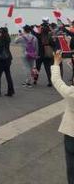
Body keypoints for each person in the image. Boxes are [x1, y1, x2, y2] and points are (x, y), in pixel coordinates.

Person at [51, 49, 74, 183]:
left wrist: (56, 62)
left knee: (72, 168)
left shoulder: (71, 93)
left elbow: (57, 81)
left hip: (71, 133)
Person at [0, 27, 14, 97]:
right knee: (8, 75)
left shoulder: (1, 40)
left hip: (1, 60)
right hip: (8, 58)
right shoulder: (7, 38)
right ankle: (10, 91)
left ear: (2, 33)